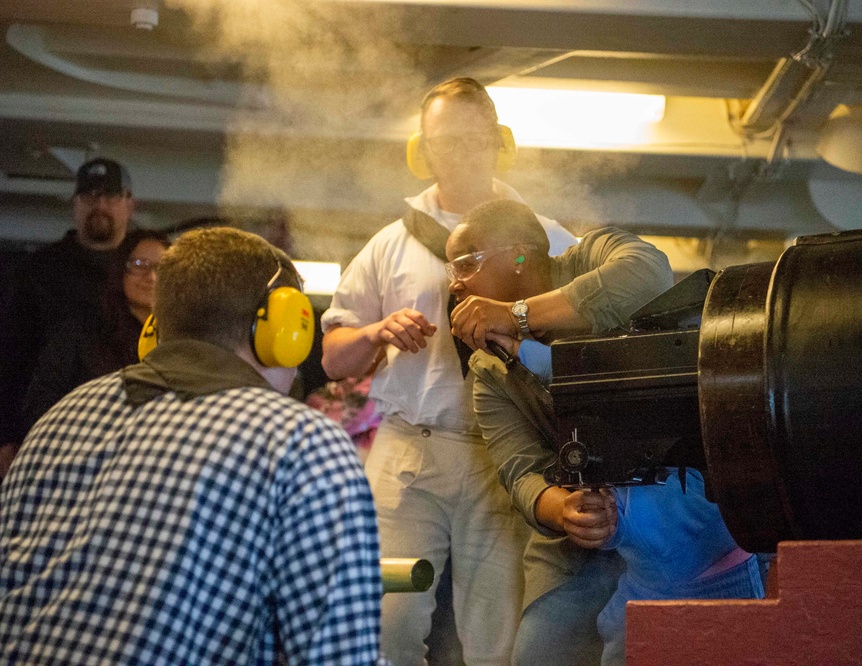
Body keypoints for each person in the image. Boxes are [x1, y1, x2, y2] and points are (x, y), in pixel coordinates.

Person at [0, 227, 384, 665]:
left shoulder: (65, 415)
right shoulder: (301, 441)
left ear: (156, 327)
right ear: (283, 329)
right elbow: (340, 656)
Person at [320, 77, 577, 666]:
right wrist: (376, 332)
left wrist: (523, 319)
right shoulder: (390, 244)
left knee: (499, 633)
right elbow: (334, 357)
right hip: (409, 448)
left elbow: (597, 330)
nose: (458, 153)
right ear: (422, 149)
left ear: (498, 142)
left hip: (505, 455)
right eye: (443, 141)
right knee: (380, 619)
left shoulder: (547, 239)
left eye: (471, 139)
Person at [447, 199, 765, 666]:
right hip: (578, 546)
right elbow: (521, 472)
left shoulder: (597, 253)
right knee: (537, 655)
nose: (455, 281)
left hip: (680, 518)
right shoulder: (488, 372)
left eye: (466, 262)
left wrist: (517, 316)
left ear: (519, 255)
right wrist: (565, 510)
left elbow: (647, 274)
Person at [0, 157, 138, 470]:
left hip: (132, 432)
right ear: (74, 204)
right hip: (46, 433)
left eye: (110, 196)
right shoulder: (38, 271)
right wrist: (5, 437)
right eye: (89, 196)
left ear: (130, 203)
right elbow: (10, 356)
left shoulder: (150, 272)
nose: (99, 204)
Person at [21, 229, 171, 429]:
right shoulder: (83, 331)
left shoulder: (183, 336)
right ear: (120, 270)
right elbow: (43, 399)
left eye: (161, 268)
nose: (151, 277)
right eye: (138, 265)